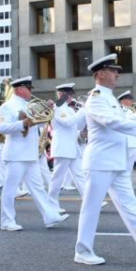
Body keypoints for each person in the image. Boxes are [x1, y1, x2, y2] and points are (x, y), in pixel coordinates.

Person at [74, 53, 136, 265]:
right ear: (100, 74)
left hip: (116, 161)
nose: (117, 74)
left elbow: (121, 120)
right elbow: (109, 122)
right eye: (113, 70)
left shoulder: (110, 97)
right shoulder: (96, 98)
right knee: (91, 207)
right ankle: (82, 250)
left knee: (129, 204)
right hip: (100, 162)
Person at [0, 77, 69, 232]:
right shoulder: (7, 106)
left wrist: (48, 110)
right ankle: (7, 221)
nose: (31, 92)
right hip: (15, 154)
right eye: (29, 89)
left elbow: (40, 124)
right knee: (10, 189)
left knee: (38, 188)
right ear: (20, 89)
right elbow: (1, 128)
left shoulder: (29, 105)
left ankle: (50, 216)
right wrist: (23, 123)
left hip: (30, 153)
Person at [47, 83, 87, 211]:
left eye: (71, 95)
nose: (71, 97)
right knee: (57, 178)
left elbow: (78, 126)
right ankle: (51, 205)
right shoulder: (57, 108)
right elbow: (67, 122)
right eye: (69, 94)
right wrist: (83, 110)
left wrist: (85, 115)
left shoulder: (69, 109)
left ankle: (89, 200)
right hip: (62, 147)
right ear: (62, 94)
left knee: (80, 175)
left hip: (72, 147)